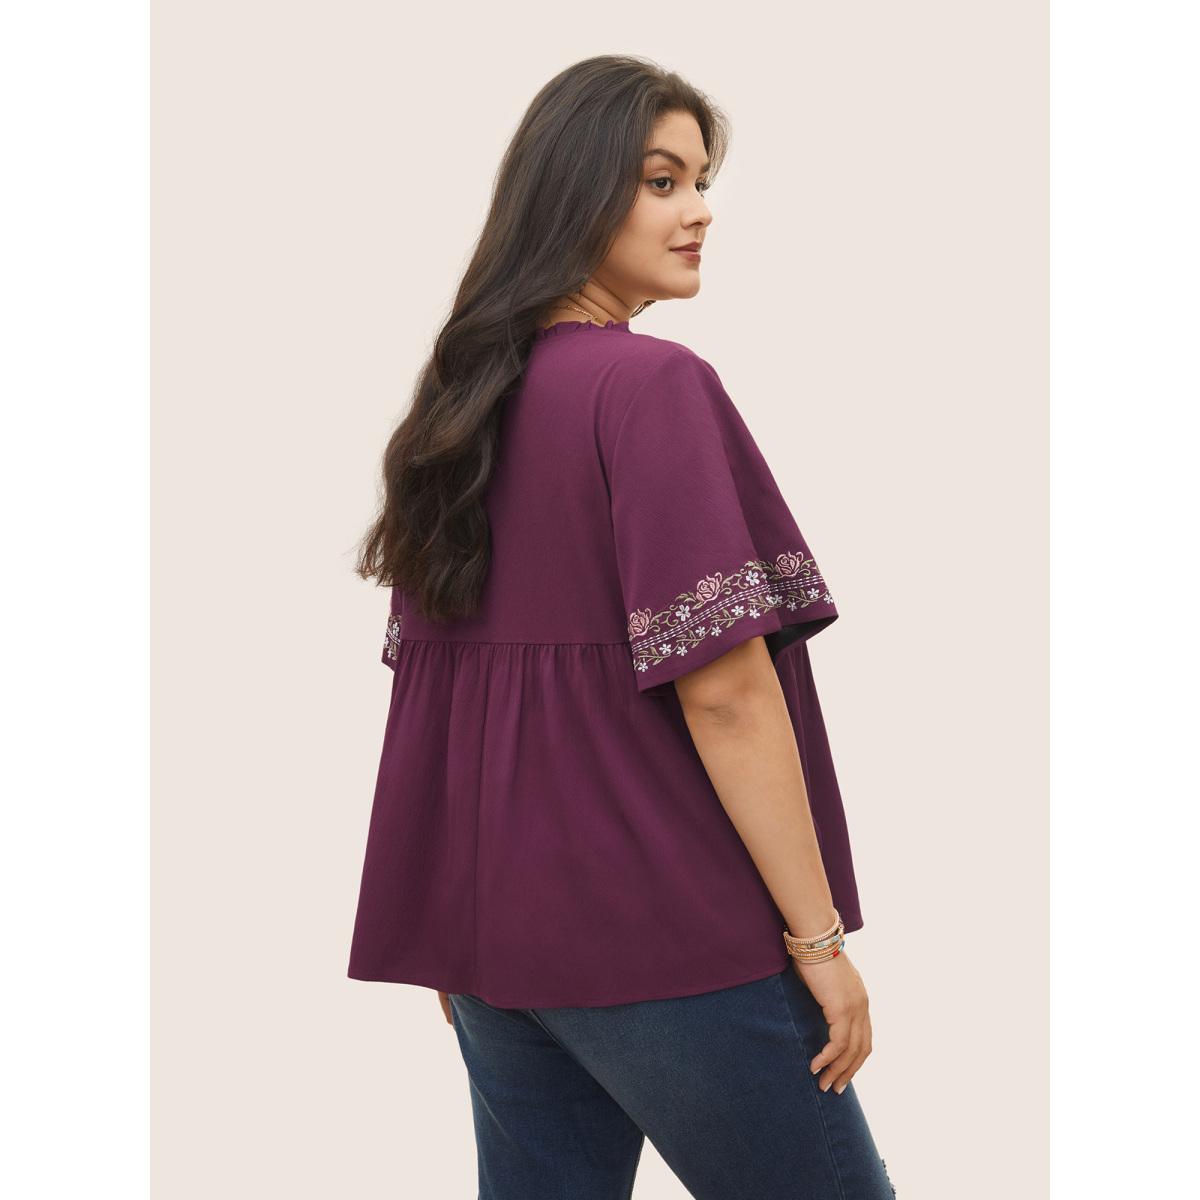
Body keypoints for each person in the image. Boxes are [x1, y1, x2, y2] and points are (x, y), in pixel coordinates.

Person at [347, 54, 897, 1200]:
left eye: (701, 181)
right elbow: (726, 691)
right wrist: (818, 944)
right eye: (661, 181)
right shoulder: (649, 388)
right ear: (574, 192)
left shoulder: (462, 403)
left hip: (497, 953)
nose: (699, 210)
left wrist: (458, 933)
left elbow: (444, 689)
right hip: (668, 941)